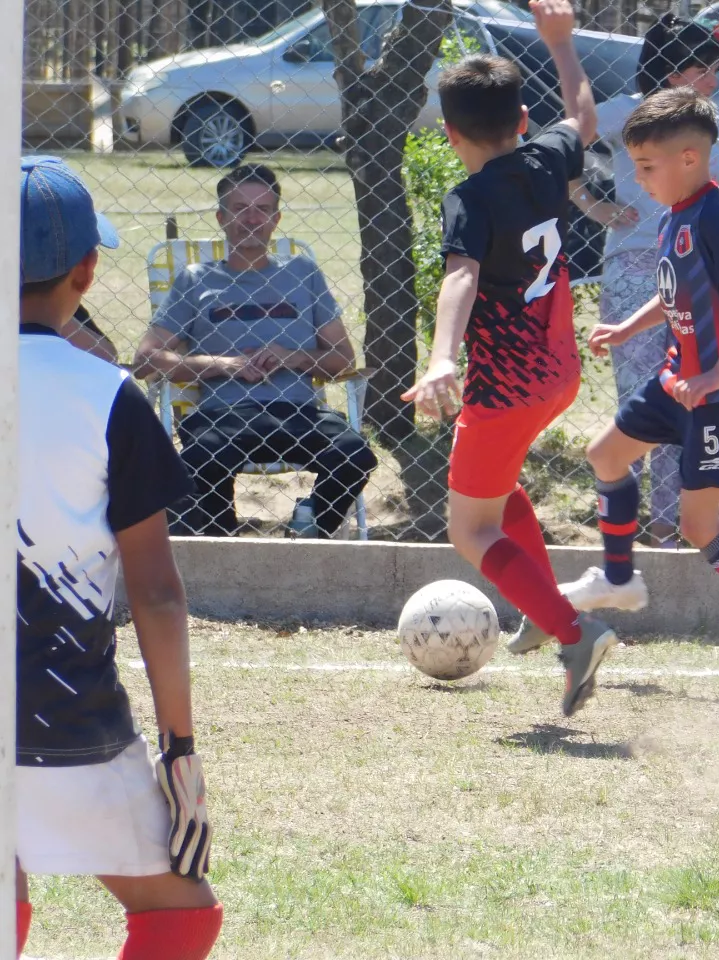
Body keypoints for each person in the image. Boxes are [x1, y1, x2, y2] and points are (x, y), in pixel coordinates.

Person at [16, 157, 221, 958]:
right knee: (182, 913)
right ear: (87, 270)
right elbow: (158, 595)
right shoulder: (109, 397)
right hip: (59, 714)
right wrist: (179, 749)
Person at [559, 88, 719, 693]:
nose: (638, 179)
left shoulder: (713, 213)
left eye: (646, 167)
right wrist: (629, 325)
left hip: (717, 395)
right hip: (678, 379)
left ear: (688, 159)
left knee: (699, 524)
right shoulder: (675, 210)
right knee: (607, 455)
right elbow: (679, 291)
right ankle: (620, 578)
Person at [401, 0, 617, 718]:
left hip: (506, 385)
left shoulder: (467, 196)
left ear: (450, 130)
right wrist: (562, 44)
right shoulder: (548, 156)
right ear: (522, 121)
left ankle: (573, 631)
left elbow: (460, 276)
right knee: (497, 492)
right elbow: (583, 116)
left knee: (469, 529)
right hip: (558, 375)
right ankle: (541, 609)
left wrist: (440, 359)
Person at [574, 13, 719, 547]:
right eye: (705, 70)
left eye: (716, 71)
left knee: (689, 396)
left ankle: (668, 523)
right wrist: (592, 203)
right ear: (673, 71)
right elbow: (562, 144)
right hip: (634, 269)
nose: (714, 82)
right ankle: (624, 523)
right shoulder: (625, 115)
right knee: (638, 402)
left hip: (700, 278)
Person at [134, 164, 376, 539]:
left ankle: (310, 526)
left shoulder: (303, 273)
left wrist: (292, 357)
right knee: (199, 463)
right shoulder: (195, 280)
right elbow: (146, 359)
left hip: (297, 413)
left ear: (276, 219)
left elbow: (343, 359)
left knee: (355, 454)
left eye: (263, 209)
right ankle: (223, 544)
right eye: (240, 207)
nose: (252, 218)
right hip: (223, 416)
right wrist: (223, 365)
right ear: (221, 217)